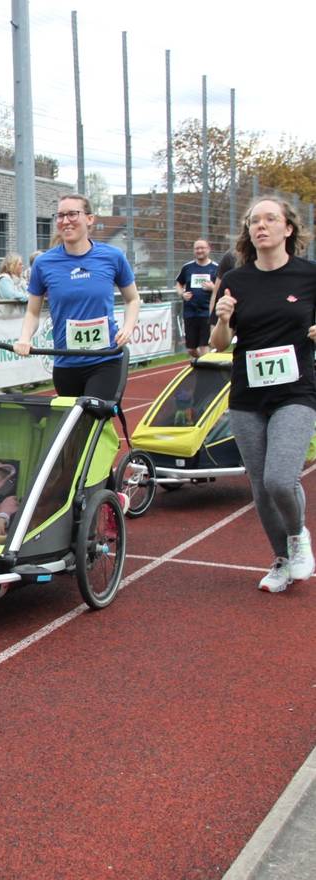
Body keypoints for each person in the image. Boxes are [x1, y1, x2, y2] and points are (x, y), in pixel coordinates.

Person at [211, 196, 316, 593]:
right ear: (248, 232)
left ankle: (298, 538)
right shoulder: (236, 280)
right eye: (255, 220)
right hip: (247, 395)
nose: (262, 225)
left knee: (278, 479)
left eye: (271, 219)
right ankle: (282, 560)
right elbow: (219, 344)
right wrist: (222, 320)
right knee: (259, 486)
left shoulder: (309, 276)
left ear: (288, 229)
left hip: (296, 391)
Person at [14, 193, 140, 400]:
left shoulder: (112, 257)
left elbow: (133, 299)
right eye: (60, 215)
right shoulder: (43, 264)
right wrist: (25, 338)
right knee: (74, 426)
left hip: (105, 359)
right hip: (66, 362)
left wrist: (127, 328)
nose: (66, 221)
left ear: (89, 219)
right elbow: (32, 312)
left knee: (92, 414)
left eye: (73, 214)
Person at [175, 239, 219, 357]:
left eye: (202, 248)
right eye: (197, 248)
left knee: (204, 346)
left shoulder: (216, 268)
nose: (199, 251)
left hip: (207, 313)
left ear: (208, 249)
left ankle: (206, 370)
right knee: (191, 350)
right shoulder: (187, 268)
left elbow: (223, 289)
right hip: (190, 312)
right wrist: (182, 294)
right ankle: (207, 362)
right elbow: (179, 284)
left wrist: (213, 288)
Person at [0, 252, 29, 318]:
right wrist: (27, 297)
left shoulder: (21, 280)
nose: (22, 266)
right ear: (12, 265)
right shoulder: (4, 279)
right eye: (20, 264)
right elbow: (10, 295)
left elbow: (29, 291)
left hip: (11, 319)